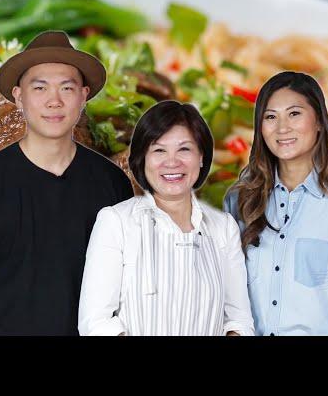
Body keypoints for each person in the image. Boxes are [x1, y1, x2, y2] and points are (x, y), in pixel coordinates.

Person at [0, 30, 134, 335]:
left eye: (66, 88)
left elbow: (130, 286)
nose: (54, 101)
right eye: (40, 88)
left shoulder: (112, 181)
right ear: (19, 96)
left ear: (83, 97)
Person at [79, 100, 254, 336]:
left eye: (184, 149)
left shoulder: (223, 227)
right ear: (142, 159)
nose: (172, 162)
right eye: (159, 150)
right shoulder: (115, 221)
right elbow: (96, 322)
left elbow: (238, 320)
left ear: (202, 157)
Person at [224, 71, 328, 336]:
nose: (282, 128)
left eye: (294, 114)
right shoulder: (239, 199)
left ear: (319, 122)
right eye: (270, 117)